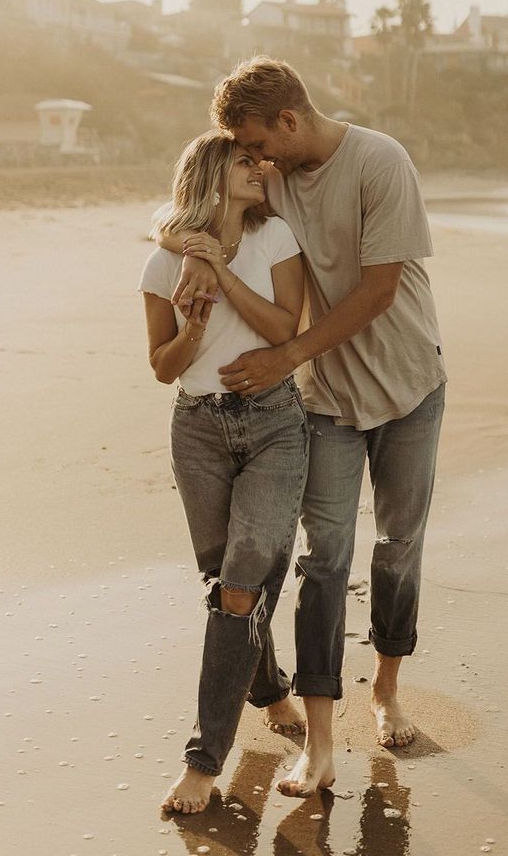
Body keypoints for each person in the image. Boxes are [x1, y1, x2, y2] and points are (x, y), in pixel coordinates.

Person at [161, 57, 447, 799]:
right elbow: (192, 202)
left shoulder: (381, 161)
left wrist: (286, 351)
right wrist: (195, 250)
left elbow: (379, 290)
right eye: (246, 153)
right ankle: (319, 745)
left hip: (411, 385)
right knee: (323, 560)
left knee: (398, 544)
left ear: (288, 122)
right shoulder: (271, 174)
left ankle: (385, 685)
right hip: (325, 400)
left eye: (258, 144)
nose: (254, 161)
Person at [138, 130, 309, 814]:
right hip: (198, 430)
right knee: (229, 583)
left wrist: (224, 272)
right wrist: (197, 326)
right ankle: (267, 689)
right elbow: (161, 367)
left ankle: (203, 760)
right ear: (214, 173)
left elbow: (281, 328)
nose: (259, 169)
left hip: (274, 423)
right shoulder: (162, 263)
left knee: (240, 587)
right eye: (246, 161)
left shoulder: (275, 239)